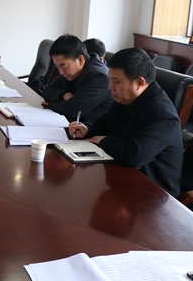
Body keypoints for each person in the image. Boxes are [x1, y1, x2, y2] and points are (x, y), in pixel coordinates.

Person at [69, 48, 182, 197]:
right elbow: (105, 121)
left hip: (154, 195)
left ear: (139, 82)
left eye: (116, 81)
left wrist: (103, 140)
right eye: (110, 79)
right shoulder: (127, 98)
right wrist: (87, 128)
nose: (110, 86)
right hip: (123, 178)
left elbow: (134, 155)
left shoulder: (161, 114)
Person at [42, 34, 113, 121]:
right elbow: (47, 91)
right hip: (75, 122)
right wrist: (64, 94)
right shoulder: (72, 71)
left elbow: (73, 110)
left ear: (80, 60)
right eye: (57, 66)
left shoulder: (99, 77)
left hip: (94, 126)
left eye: (64, 65)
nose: (61, 72)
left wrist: (50, 104)